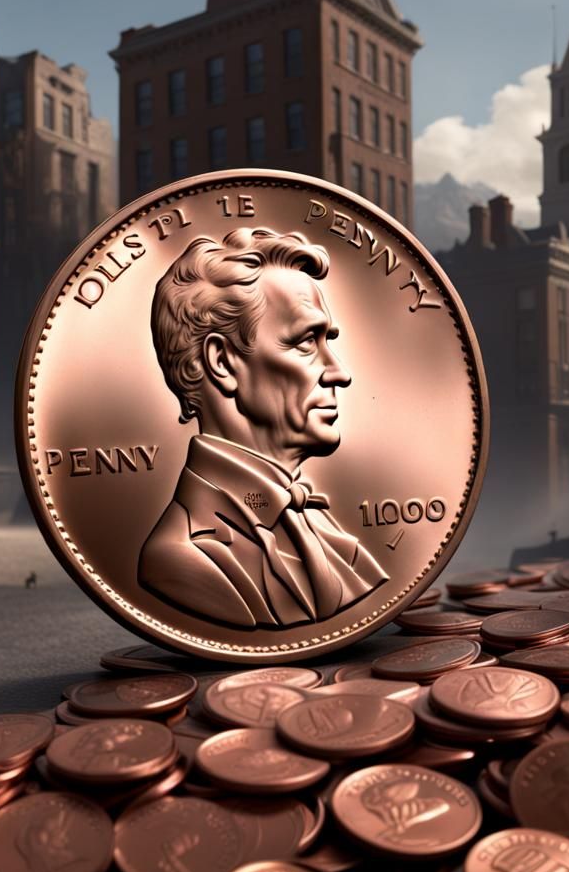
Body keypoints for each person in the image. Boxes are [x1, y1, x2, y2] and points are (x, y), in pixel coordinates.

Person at [139, 227, 387, 628]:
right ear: (222, 362)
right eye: (307, 342)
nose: (339, 373)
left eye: (328, 341)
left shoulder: (329, 532)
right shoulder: (180, 556)